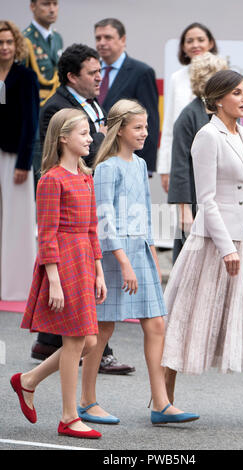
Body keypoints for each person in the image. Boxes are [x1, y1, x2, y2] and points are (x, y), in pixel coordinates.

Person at [161, 70, 243, 429]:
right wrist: (225, 249)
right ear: (219, 99)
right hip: (213, 243)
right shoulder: (207, 136)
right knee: (189, 316)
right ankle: (163, 399)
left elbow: (238, 179)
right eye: (237, 93)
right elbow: (205, 200)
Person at [77, 99, 199, 426]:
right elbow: (104, 220)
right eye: (138, 128)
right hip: (115, 255)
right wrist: (124, 260)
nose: (145, 133)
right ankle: (87, 402)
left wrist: (150, 254)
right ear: (119, 131)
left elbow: (144, 214)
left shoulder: (140, 164)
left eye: (146, 127)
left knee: (157, 324)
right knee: (102, 330)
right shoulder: (105, 169)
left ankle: (161, 403)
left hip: (139, 253)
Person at [32, 44, 134, 375]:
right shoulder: (57, 109)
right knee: (78, 322)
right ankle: (70, 387)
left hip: (87, 198)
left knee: (83, 323)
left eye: (100, 72)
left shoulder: (92, 103)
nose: (99, 78)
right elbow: (66, 158)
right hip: (67, 217)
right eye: (92, 73)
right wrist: (102, 140)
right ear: (73, 76)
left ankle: (46, 353)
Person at [11, 108, 106, 439]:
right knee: (76, 340)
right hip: (62, 263)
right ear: (63, 137)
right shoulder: (51, 179)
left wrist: (98, 271)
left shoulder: (84, 176)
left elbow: (92, 230)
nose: (90, 138)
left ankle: (28, 381)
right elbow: (47, 233)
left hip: (82, 261)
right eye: (84, 133)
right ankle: (68, 417)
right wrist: (53, 280)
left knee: (89, 341)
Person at [168, 52, 227, 263]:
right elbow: (180, 166)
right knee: (193, 265)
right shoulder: (189, 115)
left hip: (221, 200)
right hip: (196, 199)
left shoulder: (223, 113)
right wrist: (184, 211)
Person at [0, 20, 39, 301]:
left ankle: (16, 286)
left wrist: (24, 162)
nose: (4, 48)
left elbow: (31, 120)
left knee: (18, 221)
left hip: (16, 156)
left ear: (17, 45)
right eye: (0, 43)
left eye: (9, 42)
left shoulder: (25, 76)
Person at [156, 22, 218, 193]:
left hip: (216, 160)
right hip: (182, 160)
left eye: (200, 40)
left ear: (210, 43)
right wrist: (165, 168)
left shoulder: (221, 76)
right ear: (183, 47)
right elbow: (169, 125)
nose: (195, 45)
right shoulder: (177, 78)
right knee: (186, 215)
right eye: (189, 41)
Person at [94, 18, 159, 173]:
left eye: (108, 37)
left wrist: (145, 165)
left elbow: (149, 120)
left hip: (127, 161)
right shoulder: (91, 71)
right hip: (93, 158)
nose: (102, 43)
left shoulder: (141, 72)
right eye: (98, 38)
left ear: (122, 40)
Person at [24, 0, 63, 190]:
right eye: (46, 4)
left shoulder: (57, 39)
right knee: (39, 172)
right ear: (32, 6)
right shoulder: (25, 41)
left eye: (55, 3)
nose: (52, 9)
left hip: (55, 116)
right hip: (35, 115)